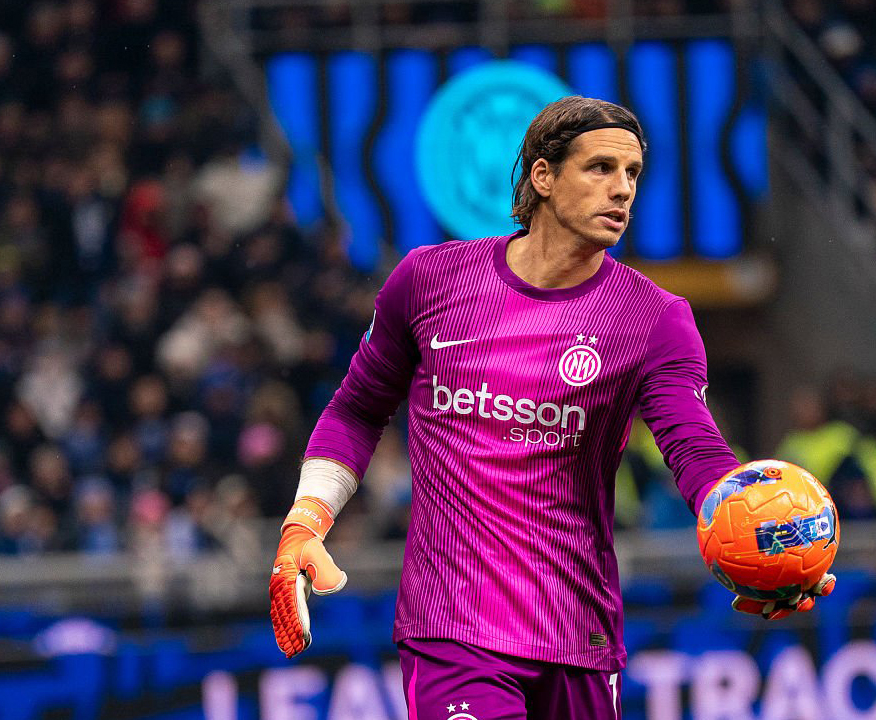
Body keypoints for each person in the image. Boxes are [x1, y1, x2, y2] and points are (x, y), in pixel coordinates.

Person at [268, 96, 835, 718]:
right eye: (600, 168)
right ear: (543, 176)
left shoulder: (655, 320)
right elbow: (356, 410)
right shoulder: (430, 281)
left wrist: (749, 534)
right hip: (452, 627)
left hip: (578, 632)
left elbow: (693, 447)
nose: (622, 190)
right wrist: (305, 521)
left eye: (633, 174)